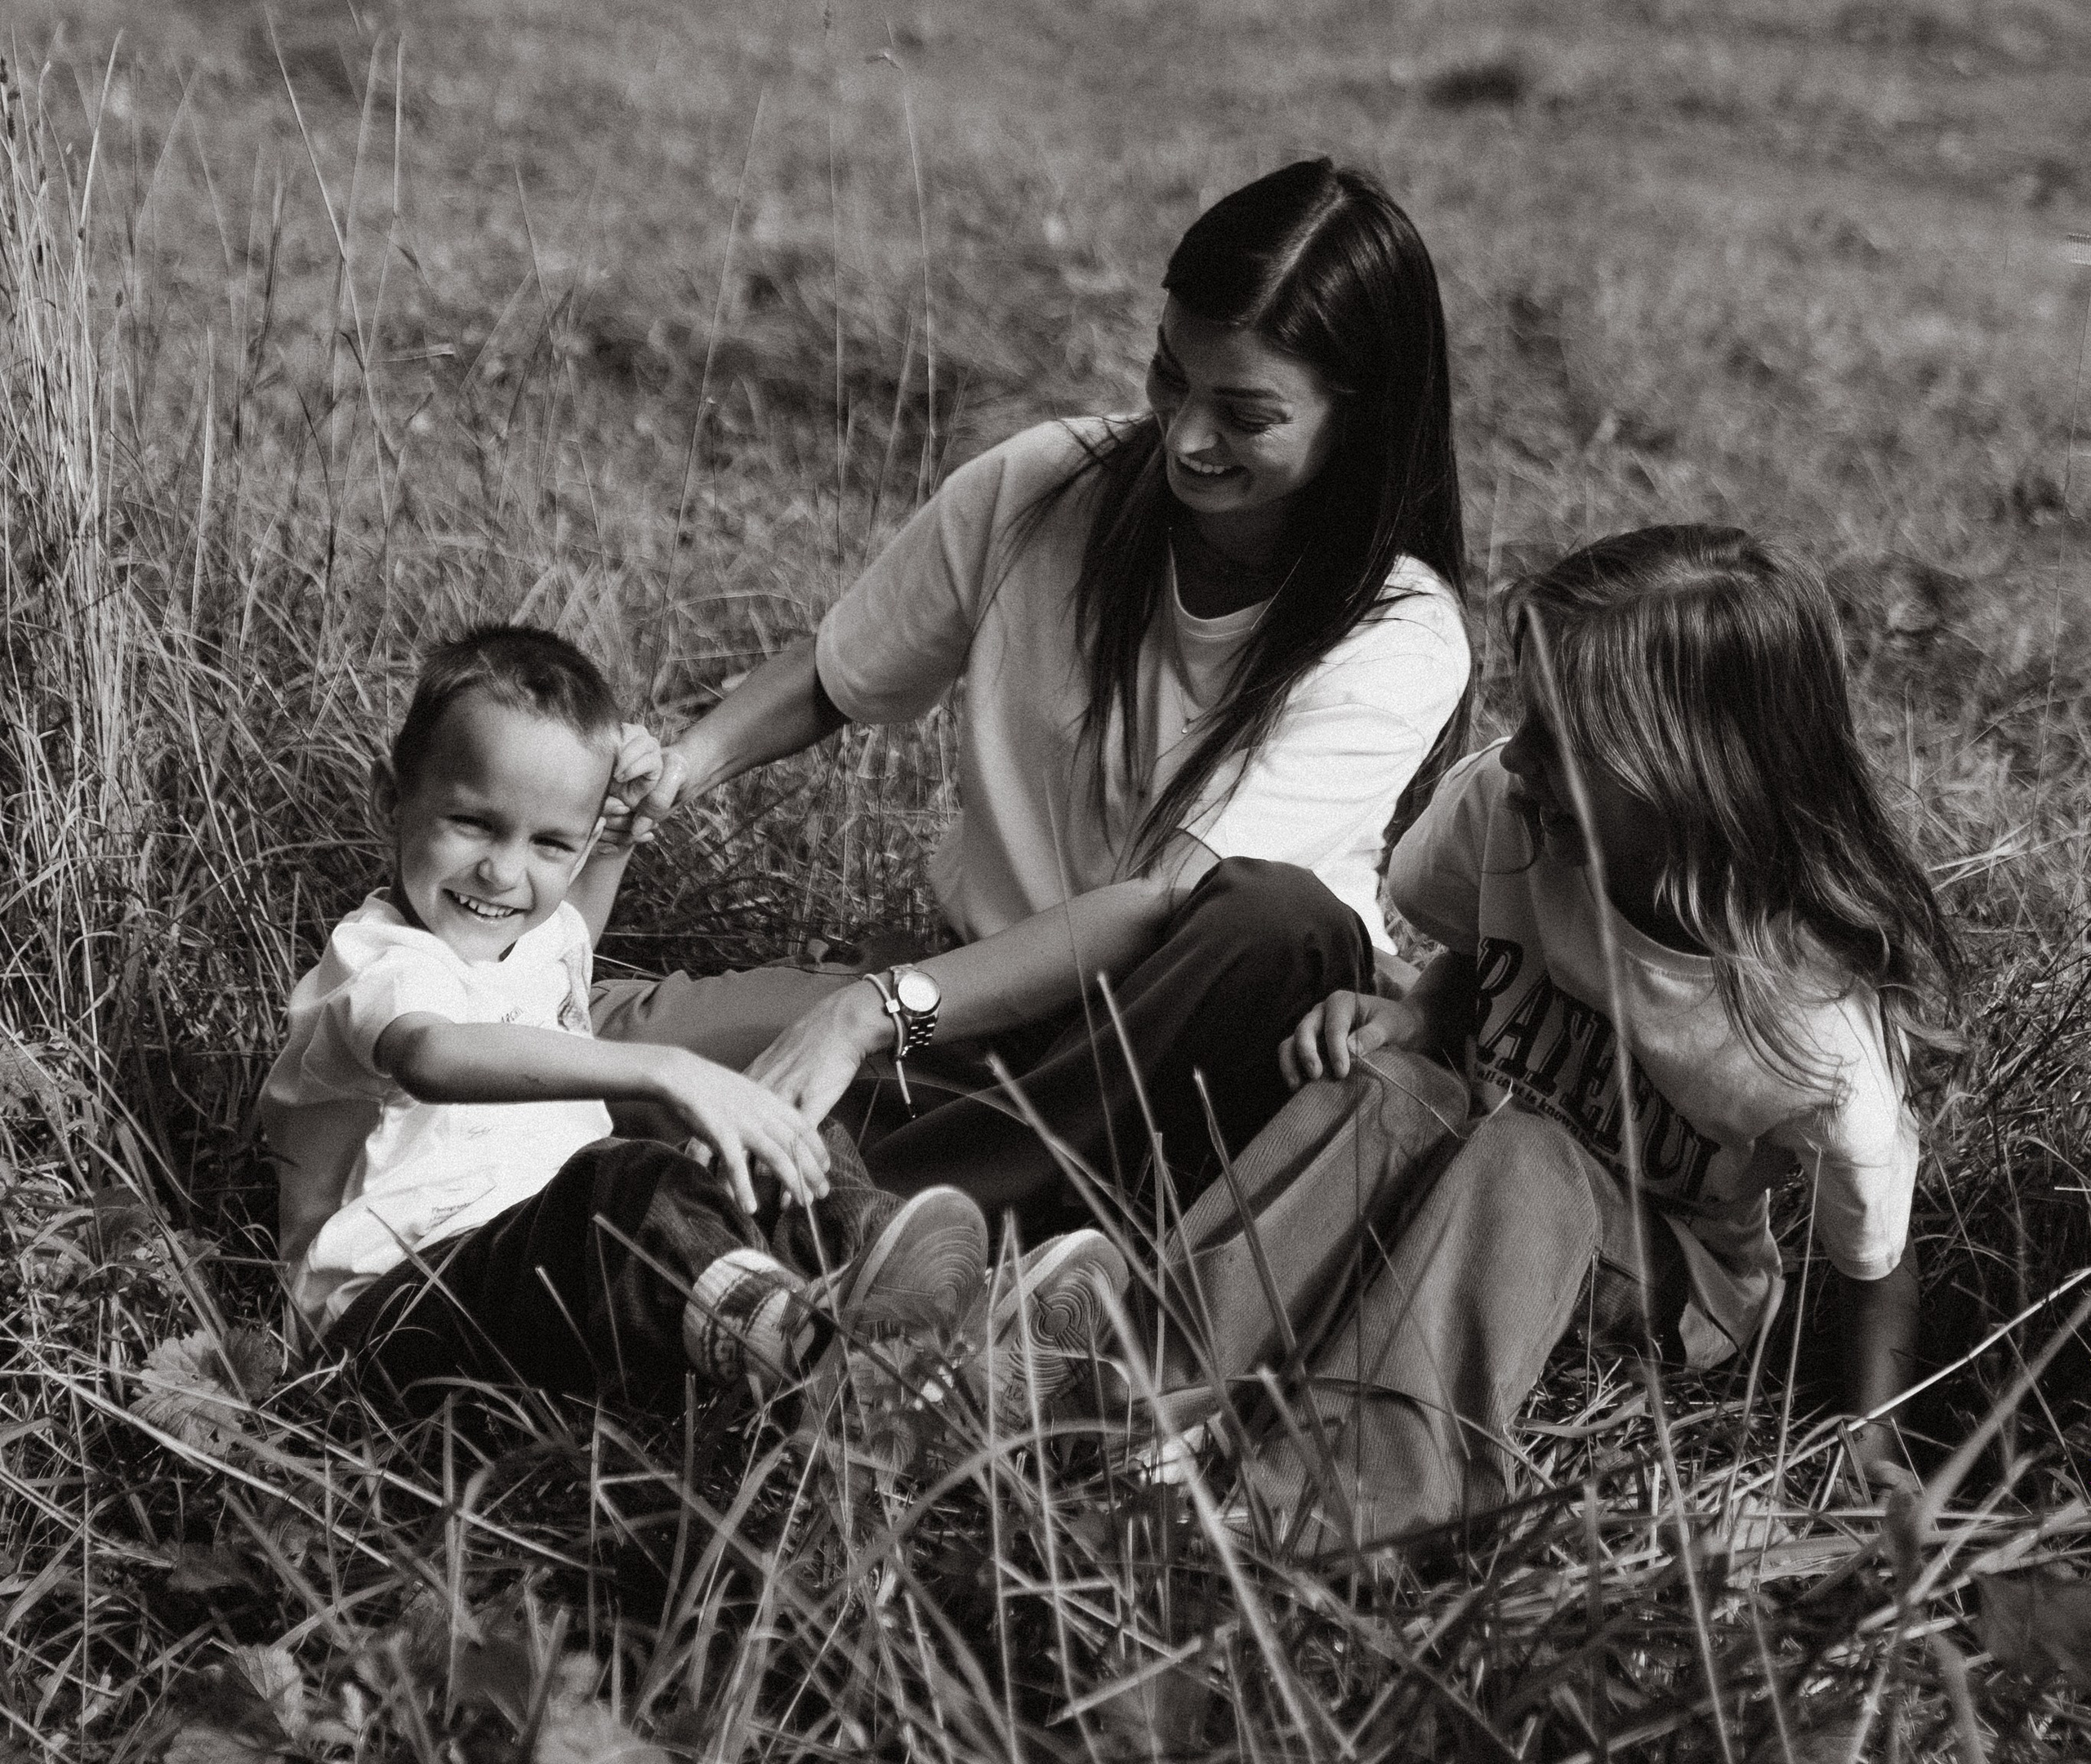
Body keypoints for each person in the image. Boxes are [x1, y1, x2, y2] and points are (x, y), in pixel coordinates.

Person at [597, 158, 1472, 1248]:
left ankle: (849, 1227)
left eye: (1245, 414)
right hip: (972, 1009)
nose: (1188, 438)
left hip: (1182, 1055)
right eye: (1170, 379)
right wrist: (680, 768)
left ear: (1362, 416)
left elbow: (1165, 900)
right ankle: (894, 1211)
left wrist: (871, 1010)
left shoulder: (1398, 626)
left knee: (1275, 912)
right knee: (618, 1048)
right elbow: (835, 674)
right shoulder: (1047, 483)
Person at [1157, 526, 1961, 1546]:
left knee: (1529, 1155)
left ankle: (1354, 1495)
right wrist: (1417, 1015)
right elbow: (1482, 952)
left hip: (1674, 1274)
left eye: (1566, 742)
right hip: (1490, 1149)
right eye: (1529, 718)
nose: (1521, 756)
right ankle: (1147, 1375)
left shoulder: (1815, 1021)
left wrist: (1873, 1439)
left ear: (1700, 777)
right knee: (1386, 1086)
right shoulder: (1509, 805)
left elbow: (1875, 1263)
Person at [262, 625, 1106, 1411]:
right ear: (391, 801)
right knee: (620, 1180)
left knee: (774, 1135)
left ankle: (943, 1330)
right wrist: (662, 1067)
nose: (503, 872)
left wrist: (616, 840)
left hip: (550, 1287)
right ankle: (812, 1357)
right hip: (392, 1318)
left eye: (551, 844)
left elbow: (567, 949)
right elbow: (431, 1053)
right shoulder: (377, 960)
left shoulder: (526, 937)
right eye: (473, 823)